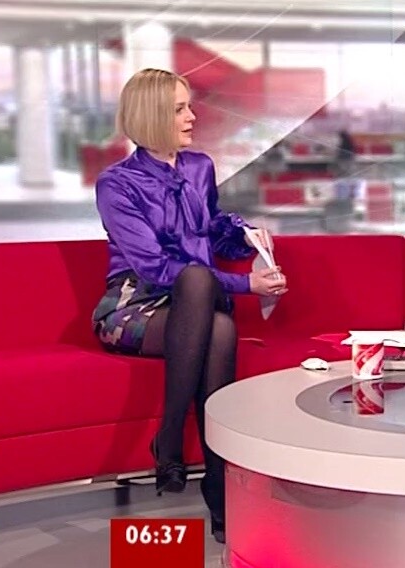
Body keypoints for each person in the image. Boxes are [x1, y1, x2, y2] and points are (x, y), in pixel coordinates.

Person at [92, 68, 285, 543]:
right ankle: (188, 452)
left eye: (188, 106)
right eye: (180, 108)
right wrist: (246, 285)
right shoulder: (116, 184)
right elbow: (157, 268)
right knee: (206, 300)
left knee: (209, 306)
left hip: (195, 302)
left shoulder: (199, 167)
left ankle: (185, 458)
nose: (192, 116)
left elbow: (211, 227)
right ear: (153, 114)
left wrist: (246, 237)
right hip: (136, 307)